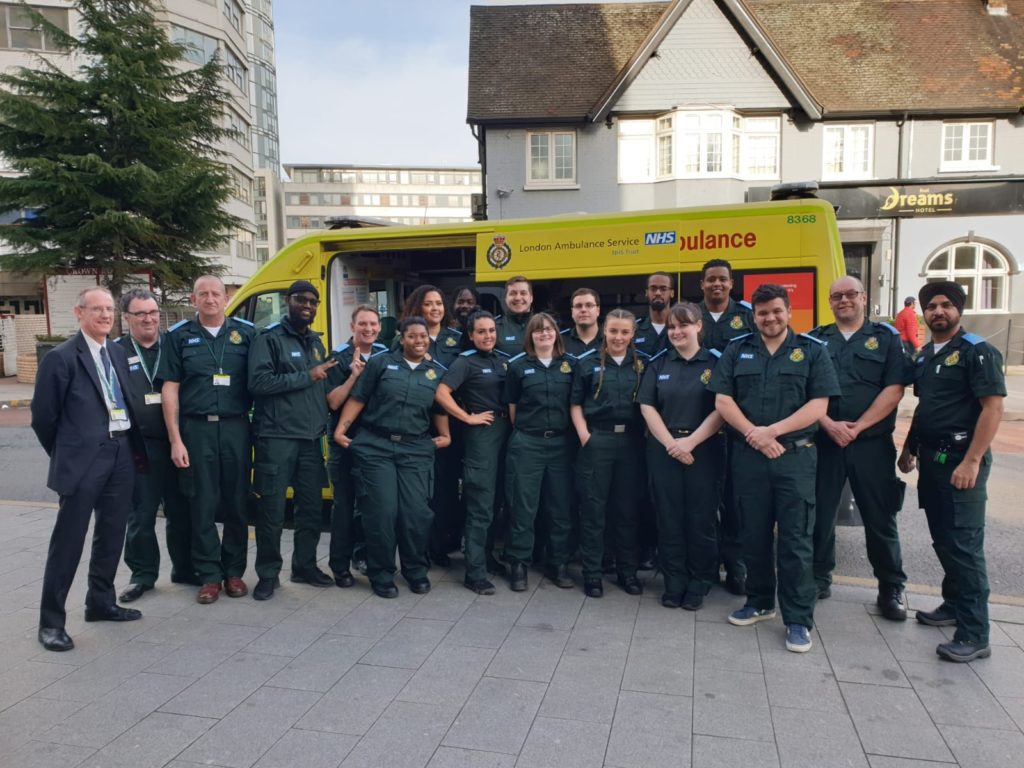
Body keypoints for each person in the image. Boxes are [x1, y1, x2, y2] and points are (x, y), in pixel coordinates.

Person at [710, 283, 839, 653]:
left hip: (794, 457)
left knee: (796, 539)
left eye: (776, 311)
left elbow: (819, 405)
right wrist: (754, 434)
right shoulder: (737, 350)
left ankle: (798, 619)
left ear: (789, 311)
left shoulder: (812, 352)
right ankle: (760, 601)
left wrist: (773, 432)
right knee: (753, 534)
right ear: (754, 315)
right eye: (763, 312)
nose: (770, 318)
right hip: (749, 457)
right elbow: (722, 399)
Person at [31, 286, 147, 651]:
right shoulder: (61, 358)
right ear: (79, 313)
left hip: (120, 454)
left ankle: (100, 601)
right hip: (82, 463)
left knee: (112, 534)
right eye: (97, 309)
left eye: (110, 309)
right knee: (67, 542)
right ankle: (51, 623)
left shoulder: (116, 351)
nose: (105, 315)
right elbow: (43, 419)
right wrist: (69, 452)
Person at [898, 281, 1006, 662]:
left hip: (962, 462)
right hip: (932, 460)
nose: (938, 312)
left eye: (946, 306)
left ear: (958, 310)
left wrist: (973, 460)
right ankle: (953, 604)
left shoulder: (978, 352)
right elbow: (927, 406)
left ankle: (975, 633)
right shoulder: (927, 355)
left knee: (964, 547)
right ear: (923, 313)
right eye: (931, 306)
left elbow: (992, 409)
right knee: (943, 540)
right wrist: (909, 447)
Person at [808, 277, 910, 620]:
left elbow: (894, 389)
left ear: (864, 297)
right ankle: (819, 577)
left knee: (879, 517)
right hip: (824, 441)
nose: (844, 300)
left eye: (851, 294)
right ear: (830, 301)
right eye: (837, 296)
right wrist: (829, 424)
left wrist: (860, 426)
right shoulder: (816, 339)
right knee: (820, 515)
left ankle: (890, 586)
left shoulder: (886, 338)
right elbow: (806, 391)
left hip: (870, 444)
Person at [334, 317, 452, 598]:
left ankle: (415, 570)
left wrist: (446, 435)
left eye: (423, 336)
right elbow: (359, 398)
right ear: (402, 338)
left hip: (415, 448)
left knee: (415, 513)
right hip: (377, 447)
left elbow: (439, 408)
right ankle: (382, 573)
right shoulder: (381, 362)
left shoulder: (435, 371)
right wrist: (341, 430)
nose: (419, 341)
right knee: (382, 513)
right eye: (412, 336)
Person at [161, 275, 256, 604]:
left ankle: (234, 573)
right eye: (203, 294)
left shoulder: (247, 334)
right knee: (201, 503)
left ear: (227, 298)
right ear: (193, 299)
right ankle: (209, 576)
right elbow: (169, 389)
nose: (210, 299)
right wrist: (175, 439)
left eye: (216, 293)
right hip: (196, 430)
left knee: (236, 503)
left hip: (236, 428)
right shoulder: (178, 337)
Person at [247, 280, 336, 600]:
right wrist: (307, 376)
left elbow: (321, 391)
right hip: (277, 438)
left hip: (311, 440)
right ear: (288, 301)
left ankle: (305, 566)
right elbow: (258, 383)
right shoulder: (268, 339)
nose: (308, 306)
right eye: (302, 300)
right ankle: (268, 574)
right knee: (271, 510)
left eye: (313, 301)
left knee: (310, 509)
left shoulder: (316, 342)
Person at [639, 302, 726, 610]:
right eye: (672, 327)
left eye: (683, 326)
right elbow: (647, 406)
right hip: (664, 450)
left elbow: (722, 408)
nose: (676, 332)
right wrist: (672, 445)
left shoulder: (716, 362)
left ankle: (700, 582)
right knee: (669, 518)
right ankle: (674, 581)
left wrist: (690, 443)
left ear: (698, 326)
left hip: (704, 449)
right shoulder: (659, 363)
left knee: (701, 519)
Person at [116, 288, 195, 604]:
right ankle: (142, 576)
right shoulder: (116, 352)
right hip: (140, 447)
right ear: (127, 318)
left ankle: (186, 569)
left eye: (152, 312)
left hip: (179, 443)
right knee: (141, 514)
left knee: (182, 510)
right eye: (140, 314)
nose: (149, 319)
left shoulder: (174, 345)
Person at [571, 308, 649, 598]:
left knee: (627, 511)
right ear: (605, 331)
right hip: (598, 440)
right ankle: (592, 574)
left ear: (632, 334)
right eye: (613, 331)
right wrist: (584, 436)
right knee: (593, 510)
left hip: (631, 443)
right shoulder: (587, 363)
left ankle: (627, 572)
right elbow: (576, 403)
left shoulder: (643, 364)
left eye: (624, 332)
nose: (618, 337)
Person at [435, 310, 511, 594]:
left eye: (491, 330)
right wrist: (467, 418)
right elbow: (441, 392)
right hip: (483, 435)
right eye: (481, 331)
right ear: (471, 335)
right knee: (480, 503)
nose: (488, 335)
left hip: (506, 432)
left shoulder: (503, 360)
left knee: (495, 503)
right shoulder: (464, 362)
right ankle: (474, 571)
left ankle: (487, 557)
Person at [503, 312, 576, 591]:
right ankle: (519, 563)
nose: (544, 334)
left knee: (560, 507)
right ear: (530, 336)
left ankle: (558, 563)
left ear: (557, 333)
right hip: (528, 443)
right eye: (538, 330)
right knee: (523, 506)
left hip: (561, 444)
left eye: (549, 329)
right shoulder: (519, 367)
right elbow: (512, 408)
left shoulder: (570, 365)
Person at [697, 258, 754, 596]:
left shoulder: (747, 317)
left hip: (735, 425)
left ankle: (736, 567)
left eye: (722, 279)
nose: (716, 284)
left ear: (731, 283)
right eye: (710, 280)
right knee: (702, 502)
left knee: (734, 502)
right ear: (701, 284)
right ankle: (704, 566)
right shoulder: (690, 317)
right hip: (695, 423)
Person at [395, 285, 462, 563]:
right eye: (428, 304)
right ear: (417, 308)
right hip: (417, 424)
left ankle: (441, 545)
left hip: (450, 424)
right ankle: (417, 547)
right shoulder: (406, 337)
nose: (435, 308)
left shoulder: (457, 339)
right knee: (419, 492)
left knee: (446, 489)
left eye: (439, 303)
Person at [326, 304, 388, 586]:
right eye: (363, 324)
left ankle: (363, 556)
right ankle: (339, 566)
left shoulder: (387, 356)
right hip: (344, 442)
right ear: (353, 327)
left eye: (373, 324)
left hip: (374, 442)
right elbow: (333, 402)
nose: (369, 329)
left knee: (370, 505)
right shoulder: (338, 358)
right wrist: (353, 375)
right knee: (343, 505)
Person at [633, 272, 675, 357]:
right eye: (653, 288)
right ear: (646, 292)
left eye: (663, 289)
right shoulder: (634, 329)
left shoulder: (680, 329)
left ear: (672, 293)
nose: (658, 293)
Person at [495, 275, 534, 355]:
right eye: (513, 293)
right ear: (505, 298)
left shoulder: (543, 327)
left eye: (523, 293)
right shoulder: (495, 328)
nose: (518, 298)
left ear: (531, 298)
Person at [561, 287, 602, 356]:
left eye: (589, 305)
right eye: (578, 306)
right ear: (572, 312)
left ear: (598, 310)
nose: (583, 310)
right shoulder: (560, 341)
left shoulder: (610, 340)